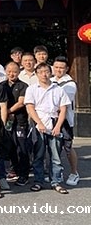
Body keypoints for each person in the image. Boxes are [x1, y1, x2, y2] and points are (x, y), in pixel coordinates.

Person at [25, 62, 70, 194]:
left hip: (54, 122)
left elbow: (63, 109)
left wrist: (58, 126)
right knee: (38, 155)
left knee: (55, 156)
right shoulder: (32, 89)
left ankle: (56, 181)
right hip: (38, 124)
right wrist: (39, 123)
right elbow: (30, 107)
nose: (44, 74)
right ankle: (38, 181)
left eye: (46, 71)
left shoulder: (58, 89)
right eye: (41, 72)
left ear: (50, 73)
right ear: (37, 74)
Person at [51, 56, 79, 186]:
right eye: (56, 67)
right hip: (50, 119)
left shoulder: (70, 84)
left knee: (68, 147)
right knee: (53, 148)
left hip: (65, 121)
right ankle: (58, 173)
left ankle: (74, 172)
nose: (58, 70)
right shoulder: (50, 80)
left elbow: (62, 103)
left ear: (67, 69)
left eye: (61, 68)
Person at [2, 61, 30, 186]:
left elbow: (21, 102)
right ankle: (15, 170)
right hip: (6, 121)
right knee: (10, 147)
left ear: (19, 72)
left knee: (22, 148)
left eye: (14, 71)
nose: (11, 74)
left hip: (20, 121)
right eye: (9, 71)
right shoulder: (1, 85)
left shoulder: (23, 86)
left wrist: (7, 111)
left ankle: (24, 174)